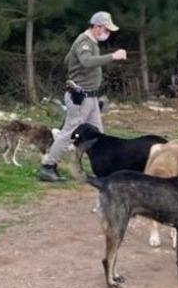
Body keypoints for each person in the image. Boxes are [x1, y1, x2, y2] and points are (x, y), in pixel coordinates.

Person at [38, 11, 127, 182]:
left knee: (98, 135)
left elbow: (68, 60)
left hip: (90, 97)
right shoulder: (84, 42)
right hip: (80, 97)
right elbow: (86, 62)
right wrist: (112, 56)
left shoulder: (89, 42)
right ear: (97, 27)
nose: (108, 34)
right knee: (69, 132)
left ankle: (102, 168)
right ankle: (48, 166)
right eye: (106, 30)